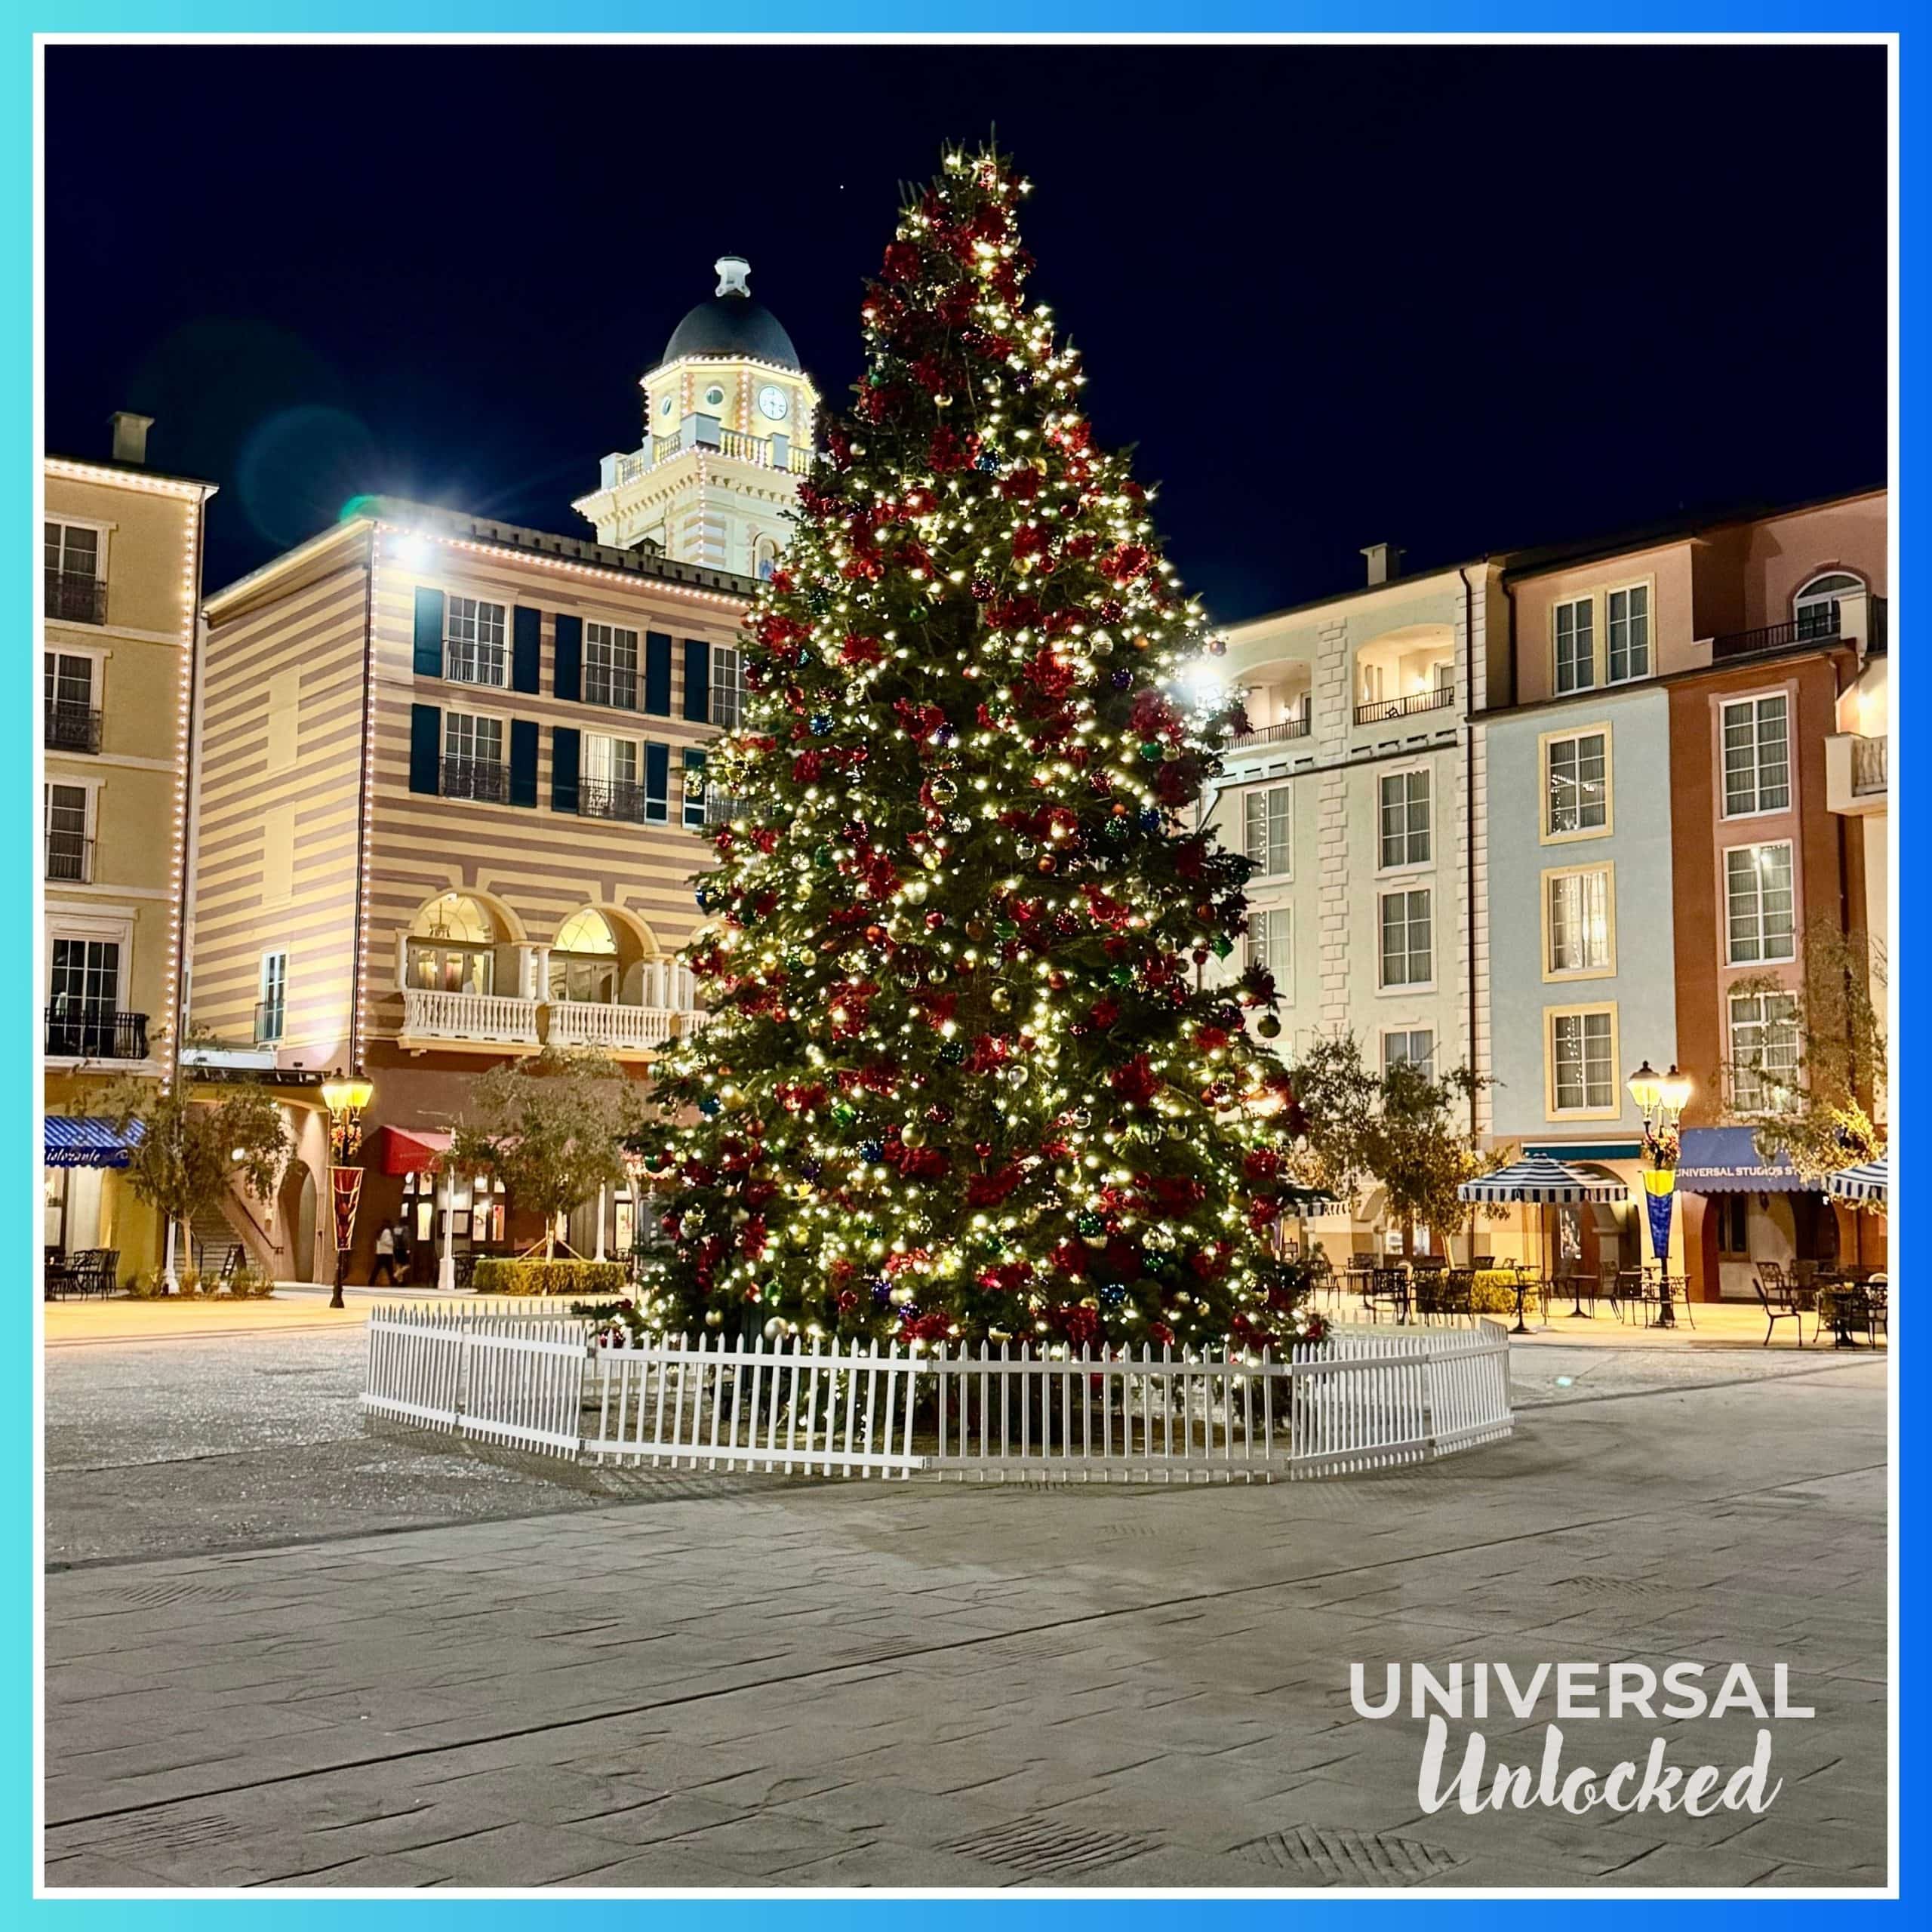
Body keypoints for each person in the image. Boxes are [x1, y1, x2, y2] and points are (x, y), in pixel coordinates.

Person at [371, 1221, 398, 1287]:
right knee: (390, 1270)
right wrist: (394, 1244)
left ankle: (372, 1281)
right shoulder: (387, 1231)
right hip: (387, 1253)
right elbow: (386, 1241)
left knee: (377, 1269)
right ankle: (393, 1282)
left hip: (381, 1253)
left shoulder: (381, 1232)